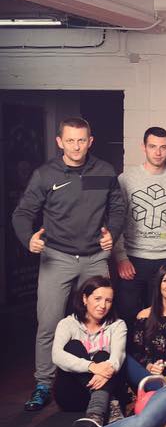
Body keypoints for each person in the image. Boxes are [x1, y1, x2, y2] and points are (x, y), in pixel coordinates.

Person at [13, 116, 125, 411]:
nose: (76, 146)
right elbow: (22, 214)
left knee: (101, 322)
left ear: (90, 142)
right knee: (49, 324)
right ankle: (43, 384)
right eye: (70, 140)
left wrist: (112, 234)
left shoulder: (104, 171)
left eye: (82, 140)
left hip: (94, 257)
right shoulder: (45, 174)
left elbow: (117, 208)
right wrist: (28, 239)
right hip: (57, 257)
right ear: (59, 142)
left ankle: (102, 380)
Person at [114, 127, 166, 327]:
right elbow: (116, 219)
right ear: (144, 147)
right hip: (132, 260)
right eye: (152, 146)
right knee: (128, 317)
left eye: (163, 147)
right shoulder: (125, 179)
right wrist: (121, 257)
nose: (158, 152)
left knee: (162, 320)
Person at [51, 276, 126, 427]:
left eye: (108, 300)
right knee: (73, 346)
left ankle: (95, 414)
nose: (103, 305)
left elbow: (117, 358)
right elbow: (56, 355)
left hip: (106, 392)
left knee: (103, 356)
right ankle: (111, 405)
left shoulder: (117, 325)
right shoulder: (67, 324)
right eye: (97, 299)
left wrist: (103, 367)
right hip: (72, 396)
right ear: (85, 299)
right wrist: (91, 366)